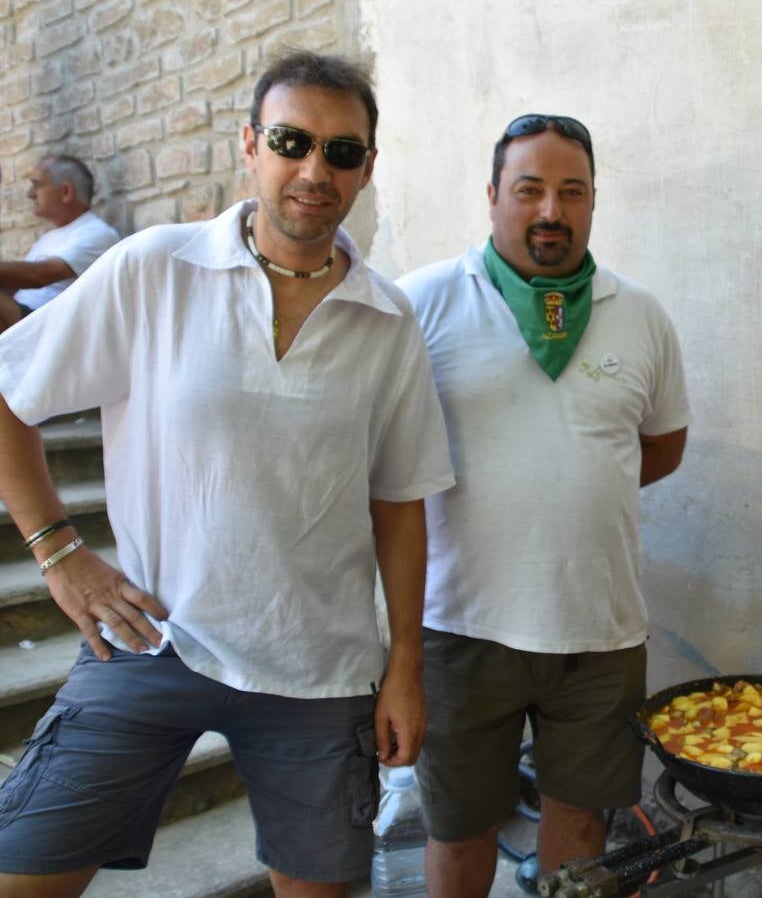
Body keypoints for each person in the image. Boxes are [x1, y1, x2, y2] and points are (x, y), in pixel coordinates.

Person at [0, 50, 456, 897]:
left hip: (318, 672)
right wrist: (61, 555)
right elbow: (8, 394)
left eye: (342, 151)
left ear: (366, 168)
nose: (315, 170)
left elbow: (398, 503)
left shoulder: (388, 320)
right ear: (251, 145)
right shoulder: (153, 268)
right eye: (292, 140)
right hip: (153, 640)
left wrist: (405, 668)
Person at [398, 114, 690, 898]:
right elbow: (380, 460)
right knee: (461, 833)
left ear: (595, 202)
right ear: (493, 197)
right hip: (461, 627)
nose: (551, 210)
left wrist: (568, 488)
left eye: (572, 192)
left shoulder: (642, 315)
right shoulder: (421, 303)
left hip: (598, 633)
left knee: (583, 833)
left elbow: (660, 446)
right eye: (529, 190)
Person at [0, 155, 120, 329]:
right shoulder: (47, 239)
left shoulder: (97, 233)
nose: (30, 194)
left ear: (66, 192)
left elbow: (39, 276)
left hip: (50, 329)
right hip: (25, 322)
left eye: (37, 185)